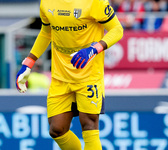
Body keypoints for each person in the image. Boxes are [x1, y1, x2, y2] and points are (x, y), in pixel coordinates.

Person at [16, 0, 123, 149]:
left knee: (89, 124)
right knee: (56, 130)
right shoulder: (47, 3)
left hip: (88, 74)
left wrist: (94, 49)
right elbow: (46, 32)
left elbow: (117, 29)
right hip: (60, 76)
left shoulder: (95, 2)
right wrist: (28, 63)